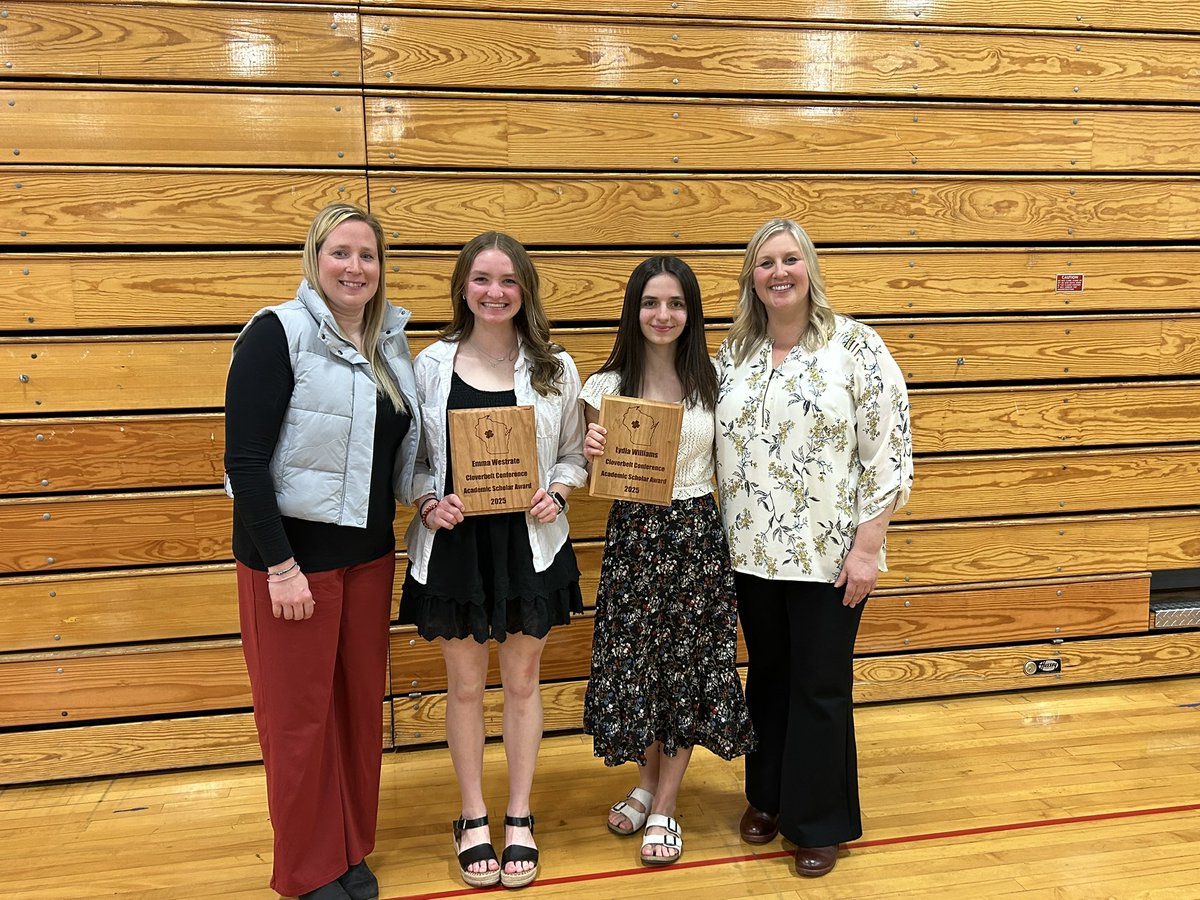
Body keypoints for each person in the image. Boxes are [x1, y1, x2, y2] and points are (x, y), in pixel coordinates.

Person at [224, 203, 421, 900]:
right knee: (298, 721)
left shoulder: (391, 343)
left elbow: (401, 454)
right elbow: (244, 465)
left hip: (367, 561)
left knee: (355, 710)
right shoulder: (275, 335)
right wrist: (280, 567)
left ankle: (346, 848)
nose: (354, 267)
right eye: (341, 253)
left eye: (367, 256)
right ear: (316, 258)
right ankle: (306, 869)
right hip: (289, 565)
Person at [715, 218, 913, 878]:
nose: (778, 272)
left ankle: (818, 820)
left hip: (832, 556)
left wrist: (868, 547)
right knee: (769, 678)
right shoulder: (732, 355)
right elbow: (686, 425)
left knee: (819, 684)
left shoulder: (856, 348)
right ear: (752, 275)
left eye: (789, 259)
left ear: (809, 268)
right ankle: (768, 797)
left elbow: (889, 454)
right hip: (751, 554)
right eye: (765, 261)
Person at [399, 232, 587, 890]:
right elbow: (414, 463)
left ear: (525, 289)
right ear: (462, 286)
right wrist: (427, 502)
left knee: (524, 684)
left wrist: (558, 491)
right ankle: (473, 815)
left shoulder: (555, 366)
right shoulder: (428, 365)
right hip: (456, 547)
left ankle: (518, 816)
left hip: (527, 547)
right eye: (482, 278)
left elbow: (572, 455)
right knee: (465, 687)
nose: (495, 291)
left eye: (508, 280)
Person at [580, 256, 755, 866]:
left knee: (682, 667)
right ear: (634, 311)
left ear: (692, 312)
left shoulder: (716, 381)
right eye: (651, 303)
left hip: (694, 537)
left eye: (675, 304)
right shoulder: (603, 388)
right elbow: (584, 470)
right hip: (631, 536)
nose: (662, 315)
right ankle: (649, 779)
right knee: (638, 668)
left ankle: (666, 803)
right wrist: (590, 446)